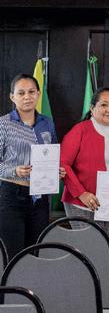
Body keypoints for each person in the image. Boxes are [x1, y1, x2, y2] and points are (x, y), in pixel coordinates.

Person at [0, 73, 64, 259]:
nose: (27, 97)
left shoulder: (47, 123)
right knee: (14, 256)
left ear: (38, 94)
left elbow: (52, 153)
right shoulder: (3, 124)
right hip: (12, 196)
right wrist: (15, 170)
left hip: (40, 198)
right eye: (21, 93)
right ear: (12, 97)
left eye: (31, 92)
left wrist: (56, 171)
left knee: (37, 253)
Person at [60, 87, 109, 243]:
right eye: (104, 105)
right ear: (92, 108)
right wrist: (82, 194)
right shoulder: (80, 130)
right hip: (83, 204)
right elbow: (63, 164)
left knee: (106, 249)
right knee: (90, 251)